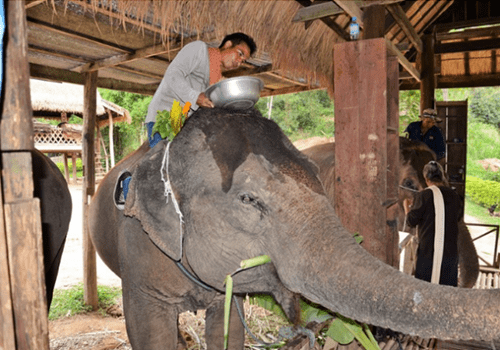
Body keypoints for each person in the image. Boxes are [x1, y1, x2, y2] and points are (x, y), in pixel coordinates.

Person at [114, 32, 257, 209]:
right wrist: (195, 96)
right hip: (165, 114)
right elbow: (173, 76)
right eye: (240, 53)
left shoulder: (216, 80)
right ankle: (127, 181)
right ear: (227, 44)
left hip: (183, 124)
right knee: (163, 167)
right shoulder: (198, 50)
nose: (239, 61)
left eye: (243, 61)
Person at [403, 161, 462, 286]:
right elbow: (457, 217)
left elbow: (411, 221)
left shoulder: (423, 195)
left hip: (429, 253)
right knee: (447, 289)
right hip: (450, 254)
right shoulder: (455, 196)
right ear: (442, 176)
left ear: (426, 178)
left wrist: (407, 207)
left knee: (426, 288)